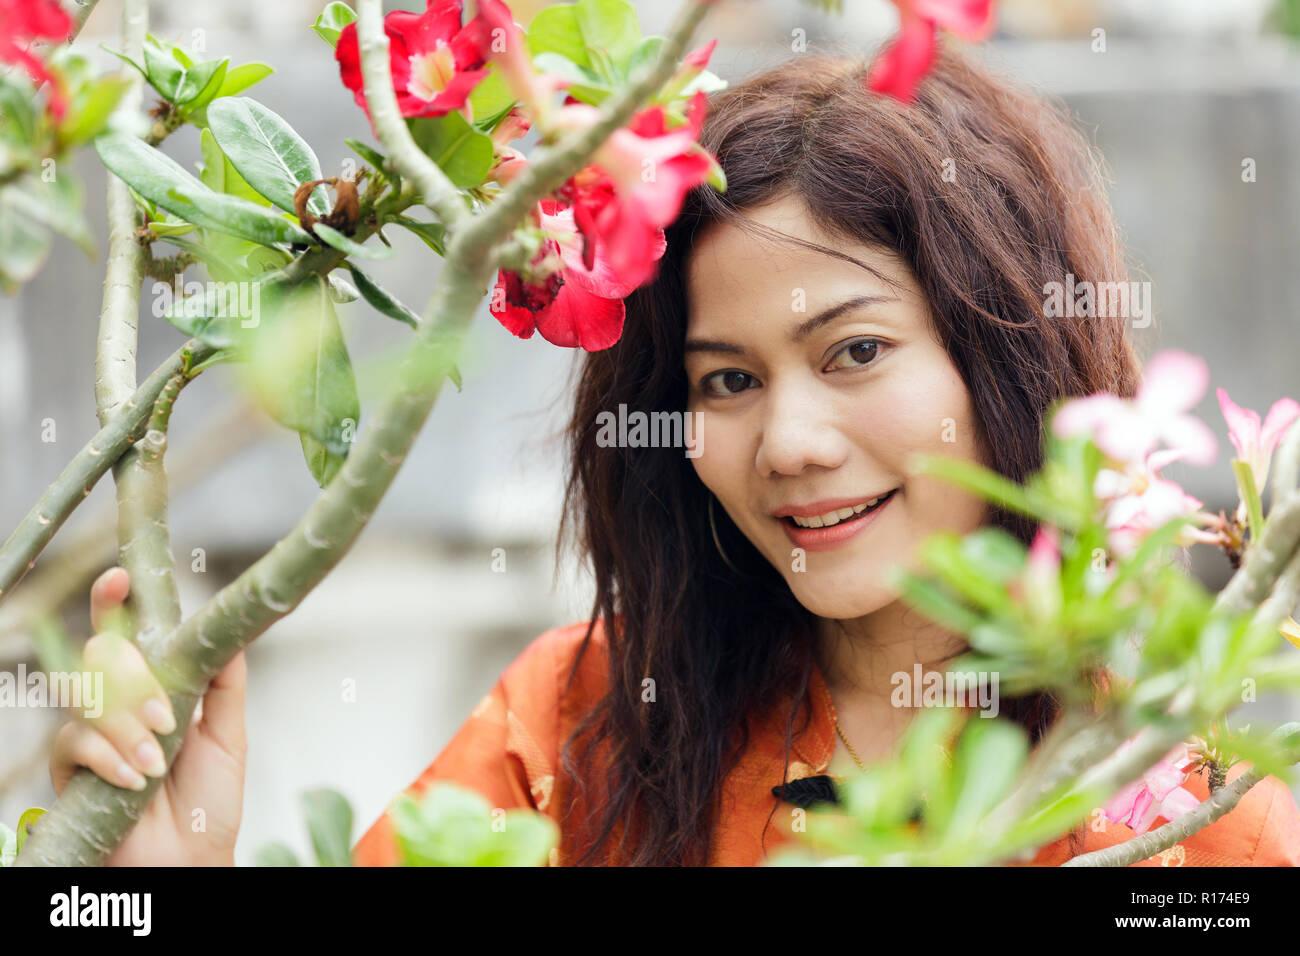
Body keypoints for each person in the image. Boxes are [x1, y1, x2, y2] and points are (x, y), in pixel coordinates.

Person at [50, 45, 1300, 866]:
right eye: (726, 381)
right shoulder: (581, 721)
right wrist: (160, 874)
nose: (792, 443)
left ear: (1008, 353)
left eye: (855, 351)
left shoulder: (1189, 817)